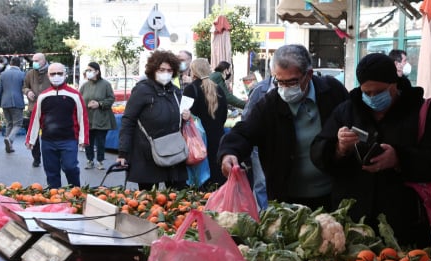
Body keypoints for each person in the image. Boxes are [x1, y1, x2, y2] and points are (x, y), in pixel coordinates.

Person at [310, 53, 431, 249]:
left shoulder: (421, 110)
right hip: (354, 222)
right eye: (366, 93)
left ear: (394, 83)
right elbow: (318, 151)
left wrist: (399, 159)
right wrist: (338, 148)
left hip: (404, 222)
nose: (372, 98)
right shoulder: (347, 110)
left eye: (379, 92)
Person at [218, 44, 349, 211]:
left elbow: (353, 118)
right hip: (288, 200)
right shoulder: (270, 104)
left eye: (292, 82)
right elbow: (245, 130)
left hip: (333, 195)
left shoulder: (332, 91)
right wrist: (229, 151)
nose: (285, 88)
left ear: (308, 75)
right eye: (279, 81)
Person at [116, 50, 190, 191]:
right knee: (148, 201)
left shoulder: (175, 91)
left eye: (169, 70)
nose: (165, 73)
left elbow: (178, 117)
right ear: (153, 69)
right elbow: (128, 121)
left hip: (173, 152)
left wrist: (186, 116)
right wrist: (123, 153)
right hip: (146, 154)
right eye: (161, 69)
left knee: (179, 198)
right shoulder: (142, 90)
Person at [25, 63, 89, 188]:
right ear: (48, 76)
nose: (56, 76)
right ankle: (55, 198)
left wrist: (83, 139)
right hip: (48, 141)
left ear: (65, 74)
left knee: (70, 167)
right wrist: (31, 139)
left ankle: (76, 193)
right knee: (51, 173)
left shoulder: (75, 95)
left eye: (59, 73)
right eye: (53, 74)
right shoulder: (43, 96)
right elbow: (35, 119)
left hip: (69, 140)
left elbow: (83, 118)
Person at [183, 58, 228, 187]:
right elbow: (224, 115)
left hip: (197, 140)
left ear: (193, 71)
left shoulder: (190, 89)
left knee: (200, 178)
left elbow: (184, 115)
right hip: (217, 138)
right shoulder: (218, 88)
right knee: (216, 178)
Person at [240, 63, 275, 211]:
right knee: (261, 182)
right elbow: (246, 118)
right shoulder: (260, 90)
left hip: (283, 145)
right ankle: (264, 214)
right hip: (260, 146)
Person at [80, 61, 116, 170]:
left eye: (90, 70)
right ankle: (89, 160)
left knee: (100, 141)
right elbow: (79, 99)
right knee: (88, 141)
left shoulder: (105, 84)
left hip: (102, 118)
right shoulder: (85, 86)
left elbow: (111, 98)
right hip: (88, 118)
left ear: (97, 71)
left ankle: (100, 161)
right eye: (87, 70)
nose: (88, 72)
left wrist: (99, 104)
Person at [23, 53, 51, 167]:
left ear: (43, 61)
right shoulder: (30, 73)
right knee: (33, 135)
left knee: (48, 135)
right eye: (33, 60)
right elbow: (24, 86)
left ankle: (48, 157)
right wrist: (27, 92)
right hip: (33, 108)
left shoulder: (51, 72)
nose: (34, 62)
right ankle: (36, 158)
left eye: (37, 60)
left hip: (48, 109)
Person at [0, 56, 26, 153]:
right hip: (17, 102)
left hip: (5, 102)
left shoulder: (3, 74)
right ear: (19, 64)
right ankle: (10, 139)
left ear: (11, 63)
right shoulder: (22, 74)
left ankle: (8, 147)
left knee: (9, 124)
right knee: (18, 123)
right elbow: (25, 89)